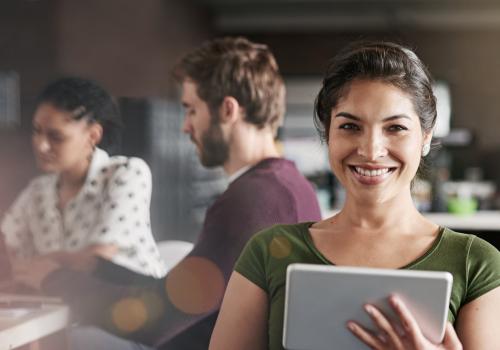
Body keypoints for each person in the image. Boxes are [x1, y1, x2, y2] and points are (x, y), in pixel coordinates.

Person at [16, 37, 322, 350]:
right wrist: (97, 268)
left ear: (228, 110)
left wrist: (54, 279)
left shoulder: (253, 200)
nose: (185, 127)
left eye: (192, 110)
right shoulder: (287, 185)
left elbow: (156, 320)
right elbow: (179, 298)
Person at [210, 41, 500, 350]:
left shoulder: (476, 264)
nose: (371, 150)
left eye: (396, 128)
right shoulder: (267, 252)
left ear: (426, 138)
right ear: (328, 134)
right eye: (350, 126)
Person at [1, 77, 166, 278]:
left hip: (135, 303)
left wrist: (44, 263)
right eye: (37, 131)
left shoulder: (127, 173)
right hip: (70, 305)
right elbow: (7, 251)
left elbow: (97, 260)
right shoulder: (36, 191)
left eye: (56, 137)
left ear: (93, 136)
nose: (41, 145)